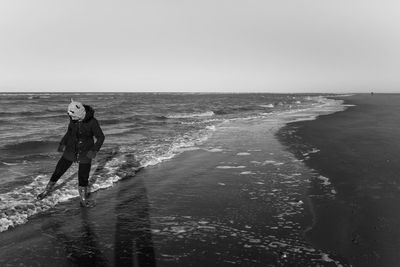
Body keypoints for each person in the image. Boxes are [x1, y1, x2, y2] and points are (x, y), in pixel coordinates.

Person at [37, 99, 105, 207]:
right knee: (58, 171)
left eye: (73, 115)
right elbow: (69, 132)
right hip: (70, 150)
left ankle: (83, 200)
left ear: (80, 113)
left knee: (83, 177)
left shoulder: (92, 122)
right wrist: (63, 143)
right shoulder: (72, 119)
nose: (71, 117)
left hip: (86, 152)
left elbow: (101, 137)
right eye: (70, 114)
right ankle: (46, 191)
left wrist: (94, 150)